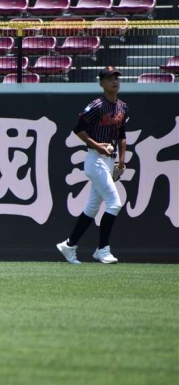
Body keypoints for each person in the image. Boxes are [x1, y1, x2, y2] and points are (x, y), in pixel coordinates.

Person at [57, 66, 128, 265]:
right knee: (114, 203)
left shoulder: (122, 107)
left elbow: (122, 135)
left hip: (109, 160)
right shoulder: (97, 105)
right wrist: (97, 146)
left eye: (116, 78)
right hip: (95, 159)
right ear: (101, 83)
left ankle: (69, 245)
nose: (114, 81)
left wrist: (122, 162)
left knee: (92, 207)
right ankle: (103, 249)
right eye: (110, 79)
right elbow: (78, 129)